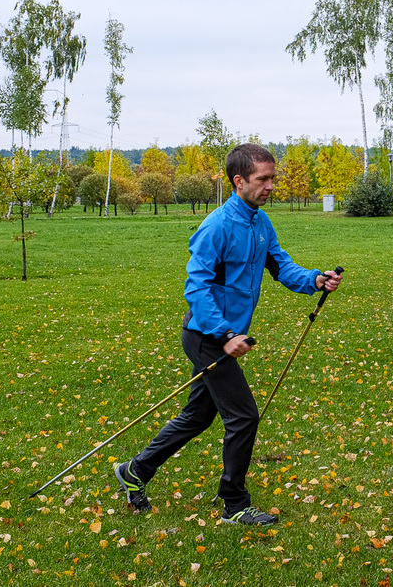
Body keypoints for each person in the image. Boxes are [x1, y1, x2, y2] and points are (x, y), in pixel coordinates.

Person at [114, 143, 341, 526]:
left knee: (197, 417)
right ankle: (235, 505)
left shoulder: (260, 221)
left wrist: (315, 279)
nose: (271, 185)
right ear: (239, 181)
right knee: (243, 416)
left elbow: (280, 265)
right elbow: (196, 287)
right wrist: (224, 335)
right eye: (263, 179)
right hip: (207, 335)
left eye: (273, 177)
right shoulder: (217, 226)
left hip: (226, 335)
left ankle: (134, 471)